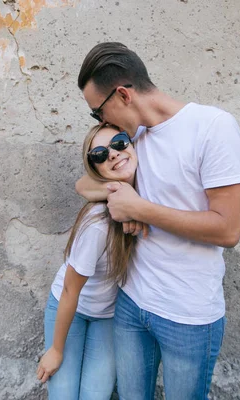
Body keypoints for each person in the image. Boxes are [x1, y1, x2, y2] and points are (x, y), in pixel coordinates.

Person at [75, 42, 240, 399]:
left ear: (122, 94)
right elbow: (83, 181)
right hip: (131, 304)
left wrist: (140, 209)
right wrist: (117, 198)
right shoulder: (130, 141)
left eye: (98, 113)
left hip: (189, 315)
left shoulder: (212, 127)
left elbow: (228, 229)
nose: (103, 124)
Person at [36, 124, 141, 400]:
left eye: (119, 142)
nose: (114, 154)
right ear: (96, 169)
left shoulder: (148, 190)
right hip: (71, 307)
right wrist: (56, 350)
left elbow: (84, 185)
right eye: (99, 154)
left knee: (96, 395)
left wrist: (133, 206)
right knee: (64, 395)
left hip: (107, 314)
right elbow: (71, 290)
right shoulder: (98, 225)